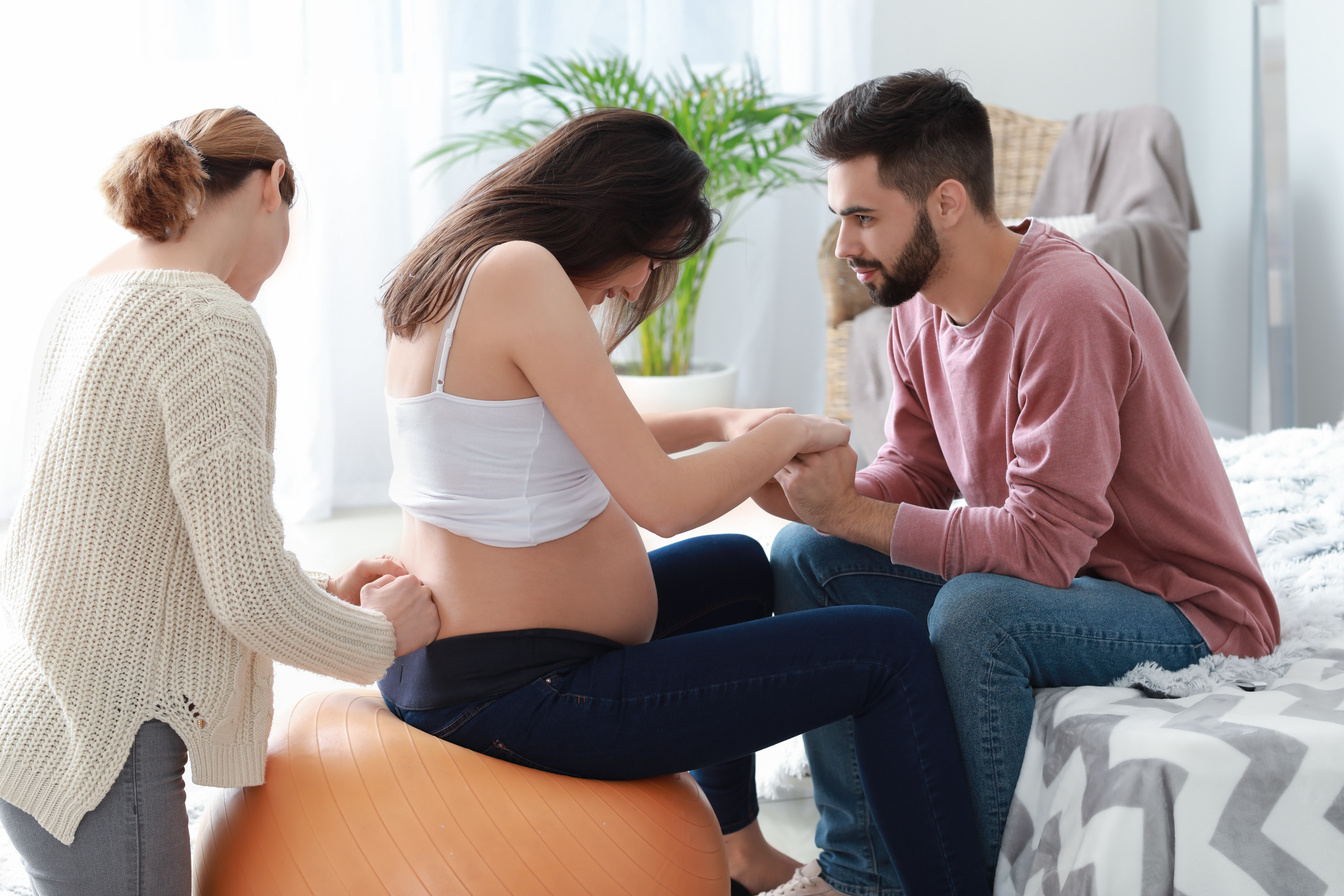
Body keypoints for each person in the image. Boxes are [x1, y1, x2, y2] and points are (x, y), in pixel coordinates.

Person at [376, 107, 989, 896]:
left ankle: (735, 851)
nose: (638, 284)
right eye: (649, 255)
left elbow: (566, 426)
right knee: (885, 652)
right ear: (606, 211)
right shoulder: (520, 272)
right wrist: (785, 436)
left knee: (737, 568)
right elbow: (660, 502)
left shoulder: (459, 270)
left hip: (467, 669)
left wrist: (720, 422)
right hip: (525, 694)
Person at [757, 71, 1280, 896]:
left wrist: (856, 512)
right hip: (1074, 578)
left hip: (1182, 602)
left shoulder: (1066, 305)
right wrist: (819, 495)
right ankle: (858, 874)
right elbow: (922, 474)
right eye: (840, 218)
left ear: (946, 203)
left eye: (863, 217)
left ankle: (963, 879)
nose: (844, 245)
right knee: (804, 554)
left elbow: (1040, 546)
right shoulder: (918, 310)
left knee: (977, 613)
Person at [0, 107, 440, 896]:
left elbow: (143, 548)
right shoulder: (208, 320)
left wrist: (319, 596)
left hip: (34, 722)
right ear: (272, 185)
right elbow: (243, 591)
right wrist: (380, 637)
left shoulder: (87, 296)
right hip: (108, 758)